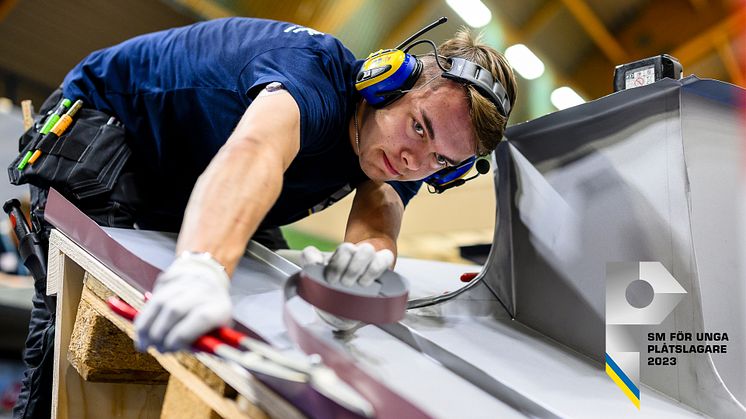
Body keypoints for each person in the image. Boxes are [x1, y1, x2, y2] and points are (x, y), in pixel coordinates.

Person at [11, 16, 516, 418]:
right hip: (109, 126)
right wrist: (203, 265)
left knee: (255, 305)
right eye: (420, 128)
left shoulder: (400, 152)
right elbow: (254, 152)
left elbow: (380, 210)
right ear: (387, 82)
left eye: (442, 163)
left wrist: (364, 272)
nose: (416, 161)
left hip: (194, 170)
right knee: (66, 321)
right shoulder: (311, 75)